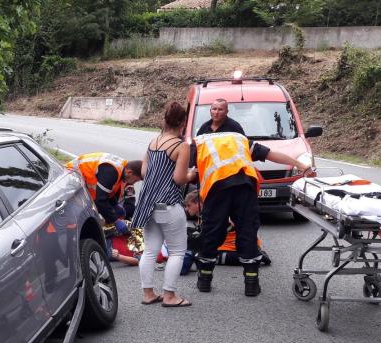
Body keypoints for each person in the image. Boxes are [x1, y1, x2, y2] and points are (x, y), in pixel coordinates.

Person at [189, 131, 312, 296]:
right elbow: (271, 154)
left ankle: (204, 280)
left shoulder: (197, 143)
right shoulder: (240, 139)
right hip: (244, 186)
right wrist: (300, 165)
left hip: (217, 189)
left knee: (212, 232)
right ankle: (251, 284)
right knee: (247, 231)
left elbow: (185, 171)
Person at [131, 101, 191, 308]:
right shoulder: (181, 146)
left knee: (149, 250)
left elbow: (145, 172)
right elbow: (179, 178)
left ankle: (148, 293)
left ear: (164, 120)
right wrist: (192, 174)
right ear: (183, 122)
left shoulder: (153, 141)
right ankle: (169, 296)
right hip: (168, 204)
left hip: (148, 203)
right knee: (176, 251)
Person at [183, 191, 271, 266]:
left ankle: (255, 256)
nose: (186, 209)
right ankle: (253, 253)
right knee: (189, 236)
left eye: (188, 205)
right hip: (230, 245)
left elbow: (208, 236)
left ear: (198, 203)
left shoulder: (212, 213)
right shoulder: (203, 214)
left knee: (204, 257)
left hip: (235, 247)